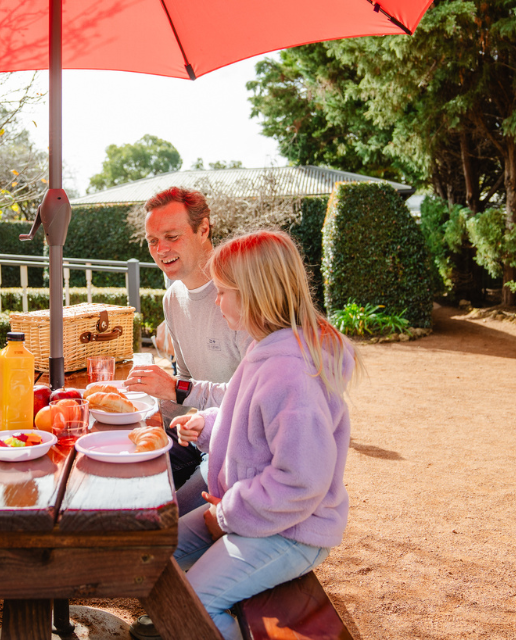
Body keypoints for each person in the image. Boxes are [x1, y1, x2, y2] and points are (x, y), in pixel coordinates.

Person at [169, 230, 361, 640]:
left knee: (194, 600)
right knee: (159, 552)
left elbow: (300, 480)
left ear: (254, 294)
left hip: (291, 531)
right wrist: (208, 425)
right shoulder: (266, 349)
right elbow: (248, 423)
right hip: (256, 513)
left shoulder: (289, 370)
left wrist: (226, 515)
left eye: (222, 292)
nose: (216, 302)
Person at [125, 187, 252, 500]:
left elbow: (260, 401)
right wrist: (141, 410)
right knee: (124, 475)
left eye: (171, 236)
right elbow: (183, 379)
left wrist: (172, 391)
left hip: (240, 447)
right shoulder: (172, 299)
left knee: (165, 519)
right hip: (191, 434)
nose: (160, 249)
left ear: (204, 229)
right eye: (153, 240)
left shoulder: (243, 295)